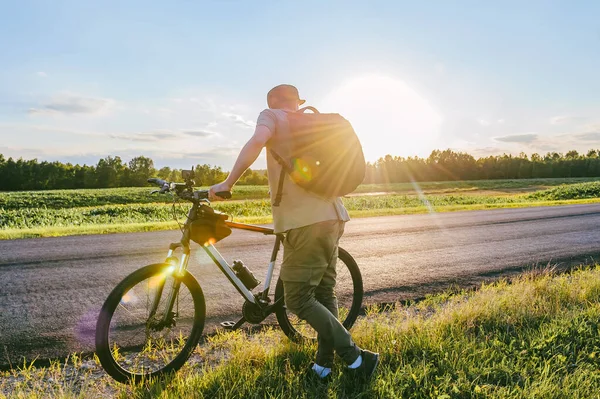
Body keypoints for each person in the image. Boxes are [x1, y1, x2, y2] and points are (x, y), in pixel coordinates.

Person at [209, 84, 379, 381]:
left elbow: (256, 141)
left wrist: (228, 182)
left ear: (273, 103)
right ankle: (323, 367)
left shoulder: (271, 117)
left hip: (305, 223)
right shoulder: (313, 125)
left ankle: (356, 358)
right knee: (324, 295)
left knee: (298, 299)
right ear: (297, 103)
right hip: (333, 217)